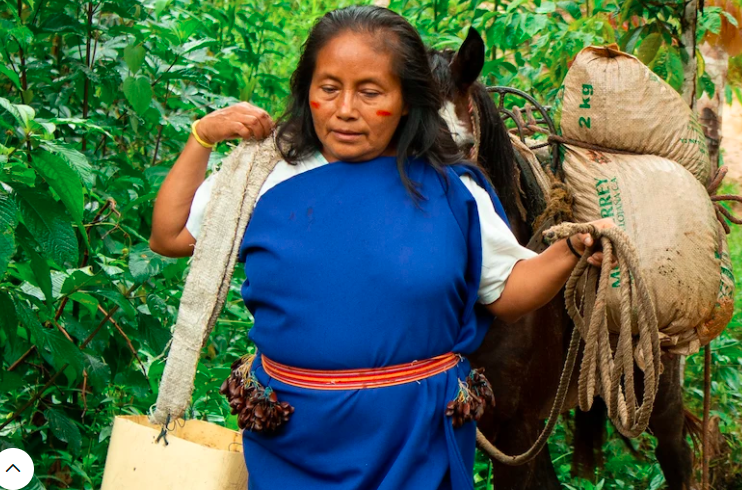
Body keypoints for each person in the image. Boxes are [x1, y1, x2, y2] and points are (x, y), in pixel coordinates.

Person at [148, 6, 608, 489]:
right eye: (329, 88)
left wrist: (570, 251)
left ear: (408, 100)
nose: (346, 109)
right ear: (308, 90)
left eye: (370, 92)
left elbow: (507, 289)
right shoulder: (263, 176)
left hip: (415, 442)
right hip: (293, 439)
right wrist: (202, 137)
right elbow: (170, 235)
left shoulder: (454, 192)